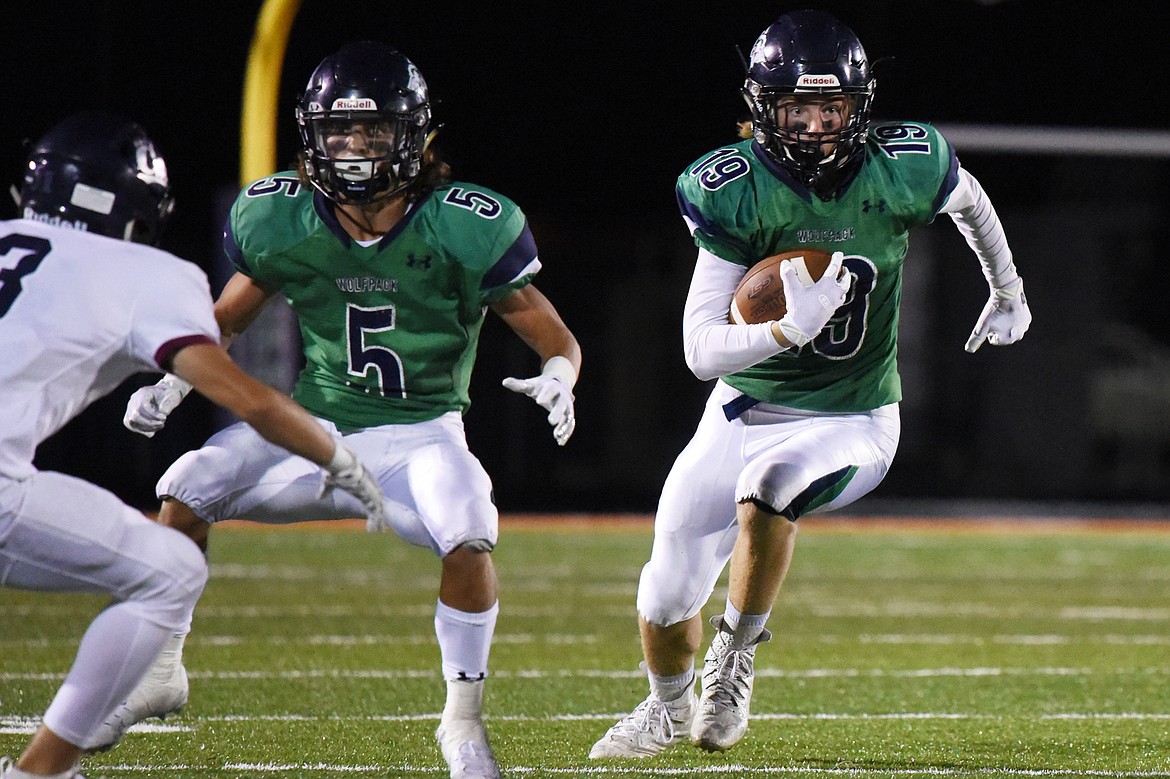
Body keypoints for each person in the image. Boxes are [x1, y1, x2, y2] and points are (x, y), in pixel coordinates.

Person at [117, 41, 581, 779]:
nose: (355, 148)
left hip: (421, 435)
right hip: (312, 428)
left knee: (470, 527)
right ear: (313, 137)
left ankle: (462, 725)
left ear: (415, 138)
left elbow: (552, 332)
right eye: (339, 132)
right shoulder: (285, 219)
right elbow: (225, 320)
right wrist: (175, 383)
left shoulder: (464, 224)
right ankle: (162, 668)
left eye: (372, 132)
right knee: (184, 486)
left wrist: (561, 372)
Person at [590, 9, 1031, 759]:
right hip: (742, 406)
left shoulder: (905, 161)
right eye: (798, 108)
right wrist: (785, 331)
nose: (817, 126)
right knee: (663, 593)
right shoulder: (734, 188)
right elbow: (701, 351)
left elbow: (972, 200)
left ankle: (735, 657)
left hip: (854, 419)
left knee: (771, 484)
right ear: (764, 109)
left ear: (858, 108)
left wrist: (1008, 288)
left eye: (832, 109)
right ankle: (665, 706)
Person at [0, 111, 385, 779]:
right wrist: (339, 459)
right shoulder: (142, 271)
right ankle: (43, 772)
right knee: (171, 571)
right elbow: (251, 398)